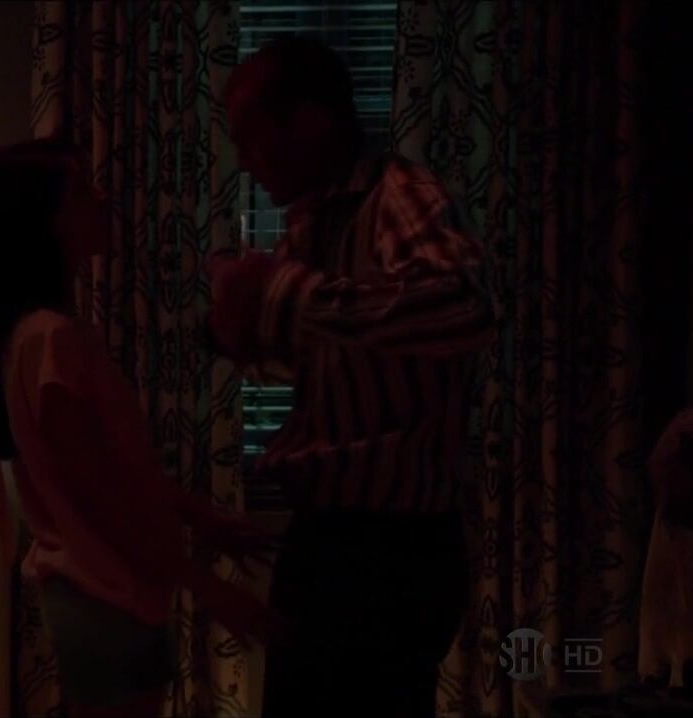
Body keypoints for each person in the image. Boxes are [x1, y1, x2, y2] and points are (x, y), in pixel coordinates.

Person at [0, 139, 279, 718]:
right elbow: (102, 498)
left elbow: (111, 469)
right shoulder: (50, 340)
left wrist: (203, 517)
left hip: (105, 598)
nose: (101, 196)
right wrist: (214, 590)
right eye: (80, 190)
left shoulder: (40, 335)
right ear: (44, 223)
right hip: (104, 598)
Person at [211, 37, 496, 717]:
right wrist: (245, 325)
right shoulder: (317, 221)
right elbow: (343, 355)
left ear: (310, 122)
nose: (244, 161)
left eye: (251, 137)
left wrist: (284, 293)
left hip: (388, 554)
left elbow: (463, 308)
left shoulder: (400, 197)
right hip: (336, 540)